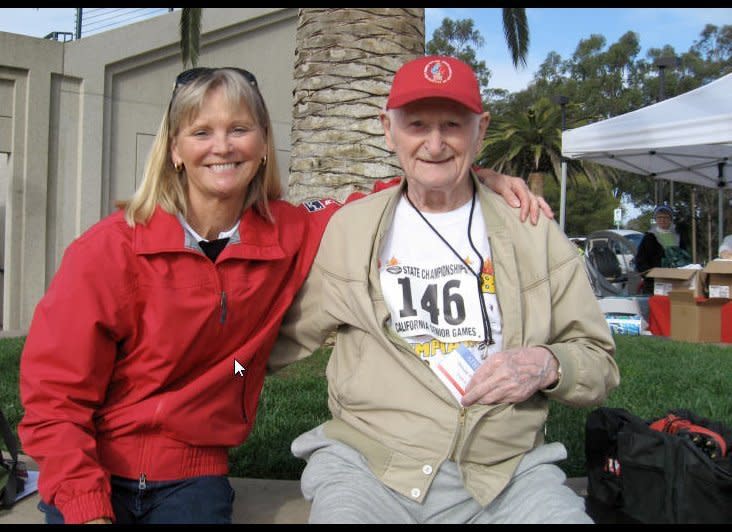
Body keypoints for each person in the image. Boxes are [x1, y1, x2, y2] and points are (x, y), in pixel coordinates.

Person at [17, 66, 549, 525]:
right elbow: (53, 400)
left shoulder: (289, 232)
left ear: (263, 143)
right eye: (201, 131)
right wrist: (86, 502)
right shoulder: (109, 250)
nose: (222, 146)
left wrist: (475, 174)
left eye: (240, 129)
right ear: (175, 149)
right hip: (91, 463)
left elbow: (378, 198)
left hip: (192, 472)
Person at [269, 55, 620, 524]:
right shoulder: (350, 230)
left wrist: (547, 365)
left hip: (506, 475)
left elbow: (599, 361)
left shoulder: (533, 231)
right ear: (388, 129)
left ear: (481, 130)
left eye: (452, 125)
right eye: (417, 125)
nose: (434, 144)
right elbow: (275, 340)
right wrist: (222, 372)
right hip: (372, 468)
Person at [635, 205, 691, 293]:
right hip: (655, 283)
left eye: (665, 217)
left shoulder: (678, 236)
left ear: (671, 219)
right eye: (659, 217)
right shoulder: (649, 237)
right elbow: (640, 260)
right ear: (656, 219)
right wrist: (650, 275)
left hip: (676, 280)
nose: (662, 220)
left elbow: (684, 256)